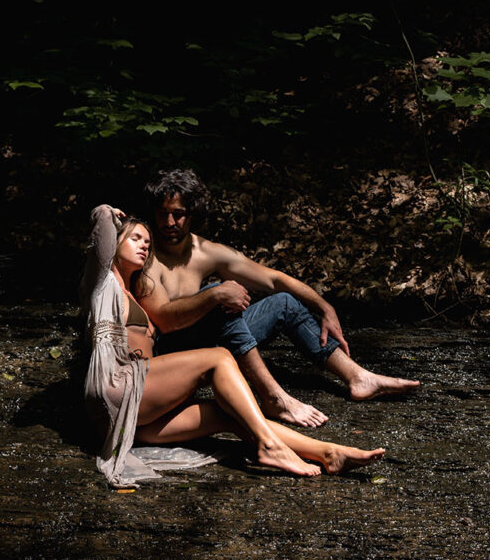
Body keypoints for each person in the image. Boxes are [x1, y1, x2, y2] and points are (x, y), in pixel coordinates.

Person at [79, 203, 385, 488]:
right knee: (219, 358)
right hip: (118, 390)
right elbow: (100, 232)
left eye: (147, 240)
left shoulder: (138, 294)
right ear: (115, 243)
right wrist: (108, 213)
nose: (145, 245)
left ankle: (328, 453)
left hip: (136, 420)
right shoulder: (101, 284)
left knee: (231, 413)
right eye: (134, 238)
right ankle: (270, 446)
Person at [136, 169, 420, 428]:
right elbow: (163, 318)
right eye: (162, 214)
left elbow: (274, 279)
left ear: (193, 213)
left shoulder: (205, 250)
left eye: (179, 213)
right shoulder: (145, 252)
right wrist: (214, 294)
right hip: (170, 354)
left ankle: (357, 377)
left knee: (284, 303)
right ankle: (273, 397)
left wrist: (324, 306)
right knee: (223, 299)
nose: (170, 222)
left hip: (210, 339)